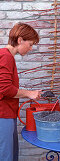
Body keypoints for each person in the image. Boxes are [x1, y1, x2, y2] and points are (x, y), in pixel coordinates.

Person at [0, 23, 42, 161]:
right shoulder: (5, 56)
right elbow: (4, 88)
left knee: (11, 154)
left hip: (7, 114)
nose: (31, 48)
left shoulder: (8, 56)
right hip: (3, 115)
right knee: (6, 156)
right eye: (30, 44)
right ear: (19, 40)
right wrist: (29, 93)